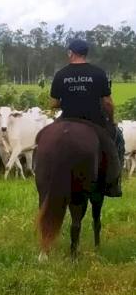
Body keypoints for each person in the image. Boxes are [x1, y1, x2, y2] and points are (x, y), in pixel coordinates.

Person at [50, 39, 123, 197]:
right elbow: (108, 103)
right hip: (94, 123)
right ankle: (114, 183)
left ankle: (48, 175)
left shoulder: (61, 74)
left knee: (46, 138)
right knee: (117, 140)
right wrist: (111, 120)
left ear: (71, 53)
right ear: (85, 53)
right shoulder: (98, 73)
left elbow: (54, 103)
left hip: (67, 122)